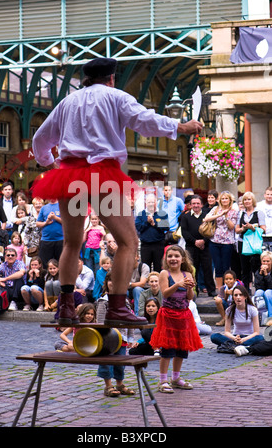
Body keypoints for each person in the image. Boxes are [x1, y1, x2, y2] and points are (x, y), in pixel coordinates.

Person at [31, 56, 202, 327]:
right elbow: (145, 120)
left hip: (71, 177)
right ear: (111, 78)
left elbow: (40, 138)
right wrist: (181, 127)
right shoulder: (115, 97)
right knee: (128, 242)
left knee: (72, 243)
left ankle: (64, 307)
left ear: (86, 78)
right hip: (102, 175)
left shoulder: (66, 103)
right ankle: (118, 307)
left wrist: (49, 162)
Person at [150, 245, 203, 393]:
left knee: (181, 348)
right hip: (168, 315)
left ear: (183, 259)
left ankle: (176, 378)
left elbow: (190, 298)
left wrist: (190, 287)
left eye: (176, 256)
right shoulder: (164, 274)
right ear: (166, 259)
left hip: (183, 315)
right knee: (167, 348)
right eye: (170, 256)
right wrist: (178, 284)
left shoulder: (188, 273)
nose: (173, 259)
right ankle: (162, 380)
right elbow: (165, 294)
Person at [96, 272, 136, 397]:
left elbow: (130, 320)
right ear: (106, 283)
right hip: (107, 339)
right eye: (110, 280)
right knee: (106, 362)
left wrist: (130, 337)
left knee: (120, 362)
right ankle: (108, 386)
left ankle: (120, 384)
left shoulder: (125, 302)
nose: (113, 283)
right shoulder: (103, 302)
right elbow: (100, 322)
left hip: (122, 338)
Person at [181, 195, 216, 297]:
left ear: (201, 204)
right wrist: (195, 241)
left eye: (198, 203)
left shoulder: (207, 215)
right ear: (190, 205)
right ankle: (193, 290)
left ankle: (211, 290)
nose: (196, 205)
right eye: (194, 203)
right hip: (191, 247)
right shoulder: (185, 217)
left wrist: (203, 241)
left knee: (208, 268)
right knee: (192, 269)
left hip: (205, 246)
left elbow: (211, 230)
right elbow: (184, 232)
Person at [211, 285, 264, 351]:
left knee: (260, 338)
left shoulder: (252, 309)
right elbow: (227, 332)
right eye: (236, 295)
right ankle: (242, 347)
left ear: (245, 297)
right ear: (233, 297)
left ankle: (233, 347)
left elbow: (256, 332)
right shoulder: (229, 310)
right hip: (235, 337)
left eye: (240, 295)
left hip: (248, 338)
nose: (238, 297)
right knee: (214, 336)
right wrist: (234, 338)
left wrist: (243, 340)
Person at [203, 191, 238, 290]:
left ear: (230, 200)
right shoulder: (215, 209)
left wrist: (226, 216)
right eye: (222, 198)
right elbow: (206, 219)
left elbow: (231, 227)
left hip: (227, 242)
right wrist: (219, 215)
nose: (224, 200)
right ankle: (219, 290)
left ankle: (227, 289)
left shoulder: (234, 211)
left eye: (226, 198)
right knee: (217, 267)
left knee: (225, 267)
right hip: (215, 241)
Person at [235, 191, 266, 293]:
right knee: (245, 269)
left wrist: (252, 228)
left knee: (256, 268)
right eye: (245, 200)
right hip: (243, 242)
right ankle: (246, 292)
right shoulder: (240, 213)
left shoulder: (259, 212)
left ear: (253, 201)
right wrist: (244, 229)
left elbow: (263, 229)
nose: (247, 201)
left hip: (254, 243)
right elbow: (237, 230)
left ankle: (258, 290)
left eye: (249, 199)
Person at [135, 193, 168, 273]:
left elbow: (166, 227)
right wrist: (147, 222)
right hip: (145, 245)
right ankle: (146, 284)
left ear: (156, 203)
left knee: (158, 267)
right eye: (149, 202)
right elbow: (138, 228)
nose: (150, 204)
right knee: (146, 267)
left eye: (152, 202)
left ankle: (159, 284)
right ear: (146, 203)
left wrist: (155, 224)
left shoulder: (162, 214)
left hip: (158, 244)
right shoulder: (141, 214)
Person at [36, 199, 63, 269]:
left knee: (61, 263)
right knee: (44, 264)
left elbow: (67, 222)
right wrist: (46, 222)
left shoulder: (63, 206)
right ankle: (46, 279)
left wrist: (55, 218)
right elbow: (37, 223)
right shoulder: (44, 208)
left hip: (60, 240)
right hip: (46, 240)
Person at [253, 251, 272, 326]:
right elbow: (258, 287)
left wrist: (267, 275)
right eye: (264, 261)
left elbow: (271, 286)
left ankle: (271, 317)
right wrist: (261, 275)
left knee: (268, 292)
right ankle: (257, 317)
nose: (266, 263)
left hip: (270, 293)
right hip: (263, 292)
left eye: (268, 261)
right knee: (258, 293)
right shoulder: (258, 272)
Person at [257, 186, 272, 251]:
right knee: (264, 258)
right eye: (268, 194)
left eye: (271, 194)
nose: (269, 196)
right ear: (264, 195)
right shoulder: (259, 205)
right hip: (262, 236)